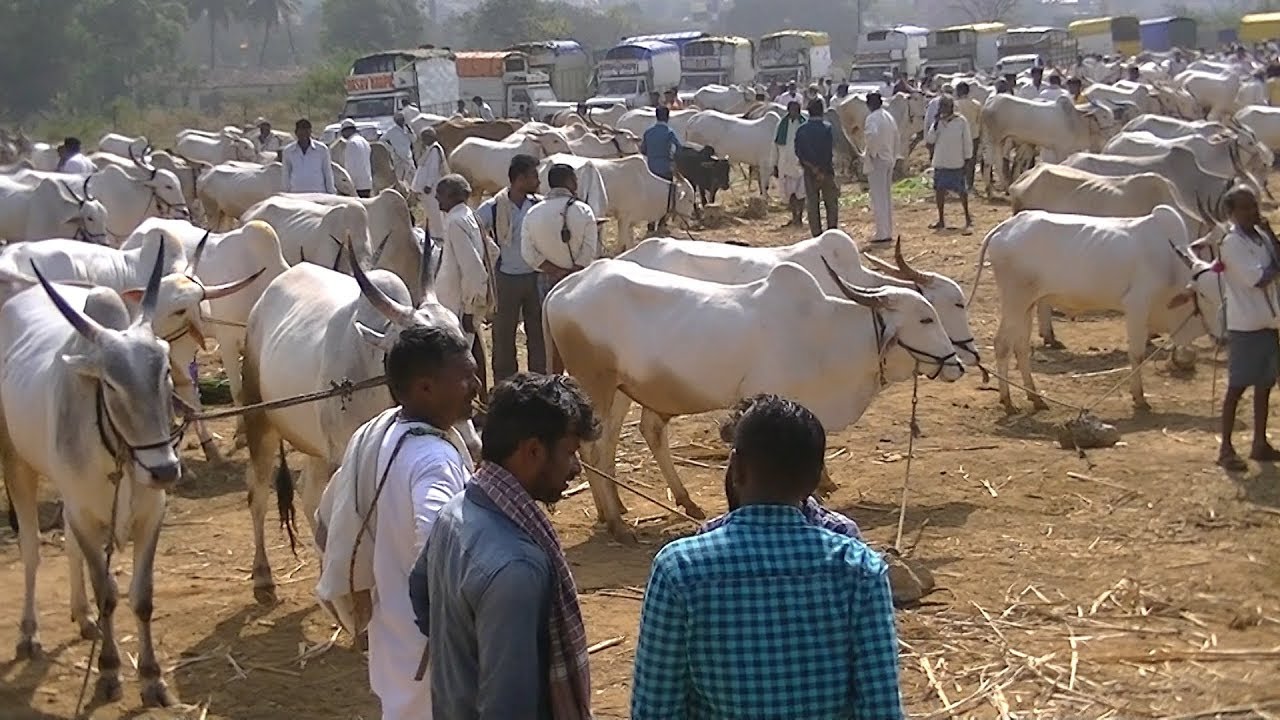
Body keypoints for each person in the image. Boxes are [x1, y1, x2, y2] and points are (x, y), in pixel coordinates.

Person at [631, 394, 903, 720]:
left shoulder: (679, 571)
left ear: (737, 468)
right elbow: (881, 709)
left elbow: (656, 710)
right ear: (816, 479)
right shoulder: (861, 571)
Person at [412, 372, 602, 720]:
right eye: (570, 452)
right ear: (532, 451)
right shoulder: (517, 567)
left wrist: (462, 660)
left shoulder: (454, 513)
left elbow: (419, 593)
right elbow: (508, 706)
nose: (576, 468)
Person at [357, 323, 479, 720]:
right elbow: (439, 548)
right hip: (431, 646)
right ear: (425, 388)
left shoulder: (383, 434)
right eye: (464, 378)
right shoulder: (435, 460)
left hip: (393, 629)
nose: (476, 385)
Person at [1217, 186, 1280, 470]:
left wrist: (1272, 236)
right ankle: (1226, 449)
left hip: (1268, 321)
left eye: (1253, 206)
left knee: (1265, 384)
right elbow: (1258, 278)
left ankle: (1259, 443)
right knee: (1237, 387)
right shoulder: (1231, 243)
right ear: (1231, 213)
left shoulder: (1262, 238)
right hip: (1245, 325)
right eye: (1244, 208)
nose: (1252, 212)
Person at [478, 154, 546, 381]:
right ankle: (505, 384)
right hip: (505, 279)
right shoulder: (493, 208)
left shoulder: (538, 206)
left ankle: (539, 381)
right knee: (504, 335)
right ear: (519, 179)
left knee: (538, 334)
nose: (537, 181)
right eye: (533, 176)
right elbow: (476, 235)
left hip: (536, 276)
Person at [436, 174, 498, 402]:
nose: (436, 199)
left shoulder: (455, 222)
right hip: (463, 301)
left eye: (440, 194)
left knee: (460, 360)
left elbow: (473, 269)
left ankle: (470, 405)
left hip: (458, 305)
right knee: (474, 351)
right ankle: (481, 400)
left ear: (452, 196)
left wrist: (470, 309)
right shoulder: (470, 216)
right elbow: (492, 251)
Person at [522, 163, 599, 302]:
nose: (577, 184)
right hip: (578, 280)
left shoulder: (532, 213)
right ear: (569, 182)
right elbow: (589, 250)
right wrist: (571, 273)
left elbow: (528, 253)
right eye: (575, 180)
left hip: (547, 280)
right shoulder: (584, 211)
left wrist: (556, 272)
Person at [926, 96, 973, 234]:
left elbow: (967, 141)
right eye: (941, 106)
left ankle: (967, 217)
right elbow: (930, 139)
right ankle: (941, 219)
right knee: (939, 191)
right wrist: (935, 123)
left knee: (962, 192)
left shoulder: (961, 121)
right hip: (941, 161)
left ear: (951, 107)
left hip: (956, 162)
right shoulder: (938, 123)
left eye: (945, 106)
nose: (943, 109)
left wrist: (967, 158)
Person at [794, 97, 839, 238]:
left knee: (813, 205)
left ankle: (816, 235)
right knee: (831, 204)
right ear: (822, 111)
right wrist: (822, 171)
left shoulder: (801, 130)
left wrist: (813, 169)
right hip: (827, 172)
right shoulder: (827, 128)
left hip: (809, 173)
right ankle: (832, 232)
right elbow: (828, 151)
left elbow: (799, 153)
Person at [863, 92, 899, 244]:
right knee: (886, 196)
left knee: (878, 197)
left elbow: (872, 136)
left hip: (878, 159)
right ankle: (887, 230)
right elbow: (897, 136)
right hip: (889, 158)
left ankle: (882, 233)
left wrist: (871, 153)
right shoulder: (888, 117)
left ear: (869, 104)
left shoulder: (872, 118)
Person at [411, 126, 450, 240]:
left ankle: (439, 234)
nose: (422, 140)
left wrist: (428, 185)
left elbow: (433, 169)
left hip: (431, 188)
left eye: (424, 138)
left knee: (435, 211)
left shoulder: (434, 150)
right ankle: (434, 232)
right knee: (430, 211)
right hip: (427, 188)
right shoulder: (430, 149)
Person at [773, 100, 807, 227]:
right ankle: (794, 216)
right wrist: (774, 164)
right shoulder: (781, 125)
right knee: (790, 193)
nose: (794, 113)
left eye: (797, 110)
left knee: (801, 193)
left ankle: (800, 217)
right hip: (785, 164)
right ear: (788, 110)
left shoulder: (804, 123)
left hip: (802, 164)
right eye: (792, 110)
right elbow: (775, 146)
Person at [282, 118, 335, 194]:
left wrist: (331, 192)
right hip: (296, 194)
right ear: (296, 133)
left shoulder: (322, 149)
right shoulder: (288, 151)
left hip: (318, 193)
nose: (303, 134)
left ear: (310, 132)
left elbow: (327, 172)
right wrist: (285, 193)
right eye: (301, 131)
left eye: (306, 131)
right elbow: (286, 174)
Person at [955, 82, 983, 191]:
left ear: (958, 91)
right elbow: (979, 121)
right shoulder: (976, 104)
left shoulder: (955, 105)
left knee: (959, 160)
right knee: (971, 160)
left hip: (959, 136)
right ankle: (970, 184)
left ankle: (960, 183)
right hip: (974, 135)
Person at [340, 119, 374, 198]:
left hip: (357, 185)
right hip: (367, 182)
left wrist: (348, 184)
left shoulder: (351, 143)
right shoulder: (364, 141)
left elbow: (350, 166)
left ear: (347, 130)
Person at [381, 111, 417, 186]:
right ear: (396, 120)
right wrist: (391, 149)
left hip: (408, 156)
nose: (401, 121)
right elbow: (382, 140)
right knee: (400, 178)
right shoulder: (392, 131)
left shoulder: (407, 129)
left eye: (402, 119)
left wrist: (410, 132)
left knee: (412, 178)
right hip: (398, 157)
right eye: (399, 119)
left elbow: (414, 140)